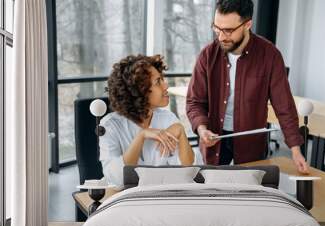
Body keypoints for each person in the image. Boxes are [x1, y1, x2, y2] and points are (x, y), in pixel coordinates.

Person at [186, 0, 309, 174]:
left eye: (228, 30)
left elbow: (284, 106)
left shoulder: (270, 56)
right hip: (214, 140)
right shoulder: (207, 55)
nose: (221, 36)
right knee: (211, 192)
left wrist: (296, 151)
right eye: (216, 28)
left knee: (248, 192)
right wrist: (202, 129)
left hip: (251, 144)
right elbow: (194, 102)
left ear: (248, 24)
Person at [100, 54, 202, 186]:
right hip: (125, 201)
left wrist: (181, 132)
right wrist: (141, 136)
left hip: (160, 198)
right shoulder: (110, 126)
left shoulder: (167, 119)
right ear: (138, 90)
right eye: (158, 82)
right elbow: (118, 180)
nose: (166, 86)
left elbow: (189, 173)